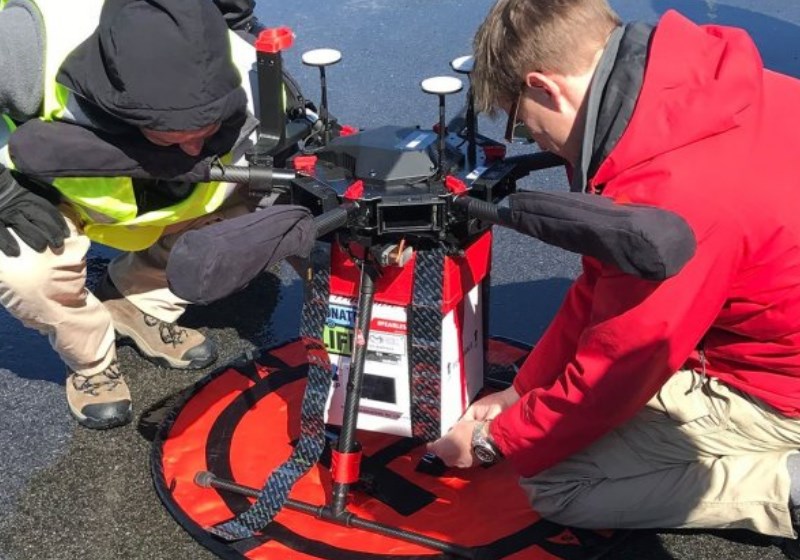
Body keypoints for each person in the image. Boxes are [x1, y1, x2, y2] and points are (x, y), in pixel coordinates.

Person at [427, 0, 800, 556]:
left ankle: (785, 487)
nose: (541, 142)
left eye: (525, 124)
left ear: (545, 88)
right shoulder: (696, 85)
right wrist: (523, 387)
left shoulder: (669, 192)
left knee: (555, 484)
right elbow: (604, 282)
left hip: (779, 388)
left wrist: (490, 442)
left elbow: (619, 371)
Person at [0, 0, 274, 430]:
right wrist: (2, 192)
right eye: (175, 136)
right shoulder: (21, 50)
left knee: (266, 189)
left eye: (203, 134)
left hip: (158, 191)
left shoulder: (243, 58)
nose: (192, 150)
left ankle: (135, 300)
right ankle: (91, 362)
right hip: (49, 190)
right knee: (23, 270)